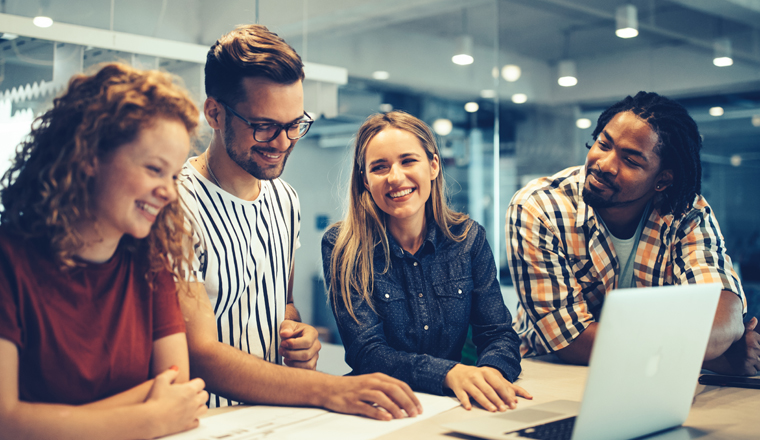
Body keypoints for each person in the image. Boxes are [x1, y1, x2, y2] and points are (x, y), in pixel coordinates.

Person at [177, 24, 420, 420]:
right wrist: (328, 388)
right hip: (201, 423)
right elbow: (197, 352)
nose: (284, 142)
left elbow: (284, 305)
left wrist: (300, 336)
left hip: (274, 418)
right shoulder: (175, 204)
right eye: (264, 126)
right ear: (215, 113)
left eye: (294, 124)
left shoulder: (284, 199)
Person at [0, 63, 208, 439]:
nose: (170, 191)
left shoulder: (151, 264)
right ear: (89, 157)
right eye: (154, 169)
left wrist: (46, 423)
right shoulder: (8, 260)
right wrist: (148, 418)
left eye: (174, 175)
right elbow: (5, 421)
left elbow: (178, 392)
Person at [506, 91, 759, 375]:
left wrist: (713, 339)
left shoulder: (685, 211)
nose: (604, 164)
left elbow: (723, 310)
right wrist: (712, 357)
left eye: (631, 161)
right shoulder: (539, 207)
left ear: (663, 179)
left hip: (648, 379)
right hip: (548, 374)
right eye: (603, 144)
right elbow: (570, 340)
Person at [322, 111, 532, 413]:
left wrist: (491, 376)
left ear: (433, 165)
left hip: (455, 406)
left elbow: (498, 334)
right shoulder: (343, 246)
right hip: (379, 410)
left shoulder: (468, 239)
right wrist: (448, 374)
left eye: (408, 161)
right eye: (379, 167)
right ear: (365, 181)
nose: (395, 177)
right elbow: (366, 353)